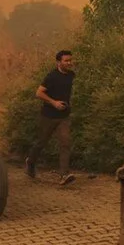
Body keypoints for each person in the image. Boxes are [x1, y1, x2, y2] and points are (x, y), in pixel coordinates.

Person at [25, 50, 76, 185]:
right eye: (66, 61)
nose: (69, 63)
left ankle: (64, 174)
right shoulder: (52, 76)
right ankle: (30, 162)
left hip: (64, 116)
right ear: (58, 62)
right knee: (41, 142)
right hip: (48, 116)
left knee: (65, 143)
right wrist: (54, 103)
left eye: (70, 60)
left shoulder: (71, 75)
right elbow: (39, 93)